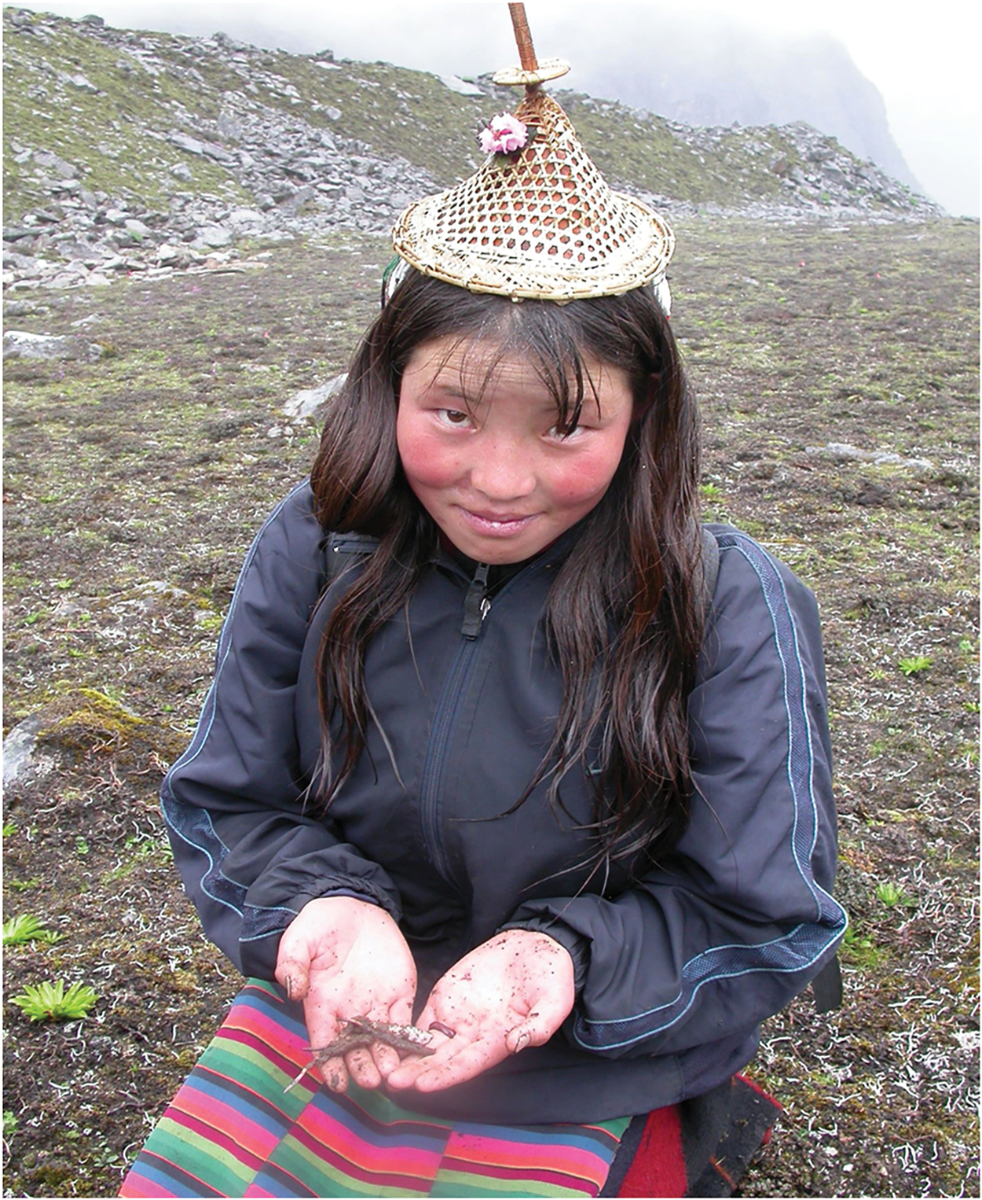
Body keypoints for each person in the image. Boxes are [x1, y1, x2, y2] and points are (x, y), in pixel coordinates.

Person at [121, 9, 845, 1197]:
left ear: (645, 416)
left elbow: (766, 915)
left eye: (568, 426)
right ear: (383, 384)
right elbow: (226, 801)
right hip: (343, 1017)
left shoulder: (730, 603)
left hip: (599, 1047)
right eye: (451, 414)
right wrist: (325, 912)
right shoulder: (313, 546)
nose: (501, 484)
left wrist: (560, 960)